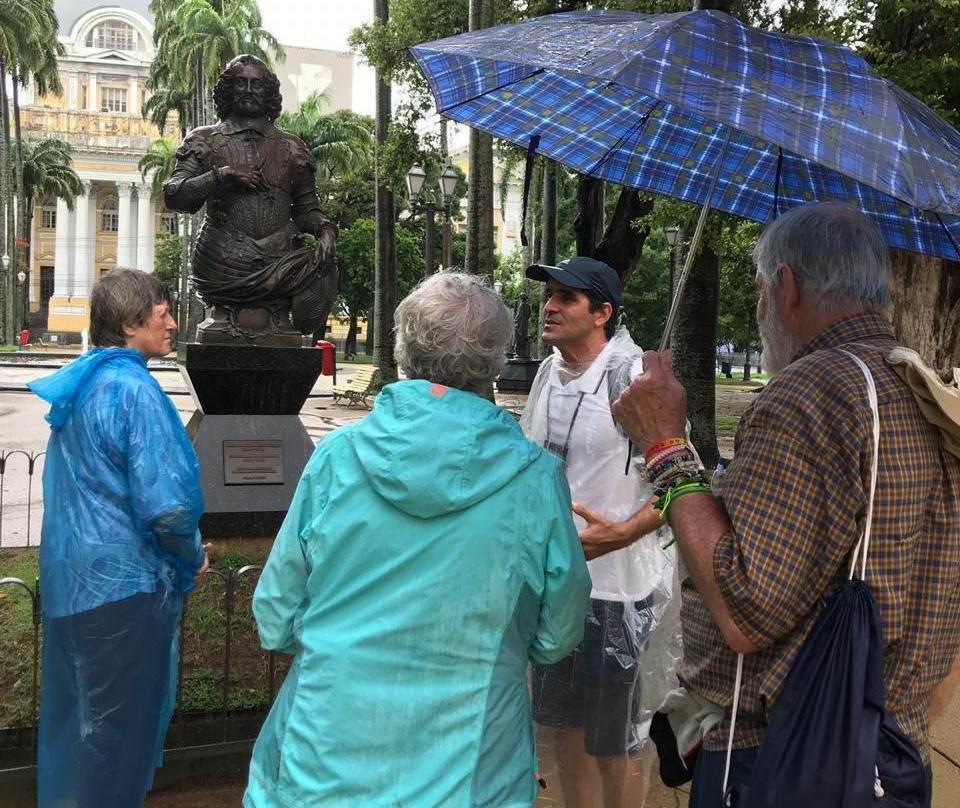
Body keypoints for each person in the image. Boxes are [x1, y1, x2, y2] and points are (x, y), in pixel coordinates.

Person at [610, 203, 960, 807]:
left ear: (787, 286)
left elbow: (745, 614)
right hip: (890, 752)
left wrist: (666, 446)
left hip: (785, 757)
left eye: (760, 292)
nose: (760, 310)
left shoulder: (810, 393)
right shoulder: (920, 388)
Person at [244, 271, 592, 808]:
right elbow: (558, 630)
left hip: (322, 757)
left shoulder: (338, 457)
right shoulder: (535, 479)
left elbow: (276, 613)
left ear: (403, 346)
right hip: (473, 772)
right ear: (495, 359)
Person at [29, 268, 210, 808]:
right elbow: (169, 505)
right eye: (162, 313)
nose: (174, 323)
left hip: (73, 586)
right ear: (132, 323)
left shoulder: (83, 384)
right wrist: (192, 555)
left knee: (80, 730)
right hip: (125, 594)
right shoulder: (135, 391)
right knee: (115, 738)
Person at [519, 256, 681, 808]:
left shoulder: (633, 378)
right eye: (550, 294)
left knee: (617, 742)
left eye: (567, 297)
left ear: (602, 313)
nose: (550, 305)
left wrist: (622, 533)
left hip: (616, 593)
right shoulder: (546, 374)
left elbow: (681, 484)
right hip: (556, 587)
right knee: (563, 729)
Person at [164, 54, 338, 340]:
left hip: (278, 262)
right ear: (228, 90)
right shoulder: (204, 139)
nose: (248, 90)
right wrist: (223, 175)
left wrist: (325, 229)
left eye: (256, 85)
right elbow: (175, 195)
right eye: (240, 83)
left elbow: (307, 210)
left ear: (268, 91)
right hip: (221, 263)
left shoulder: (292, 147)